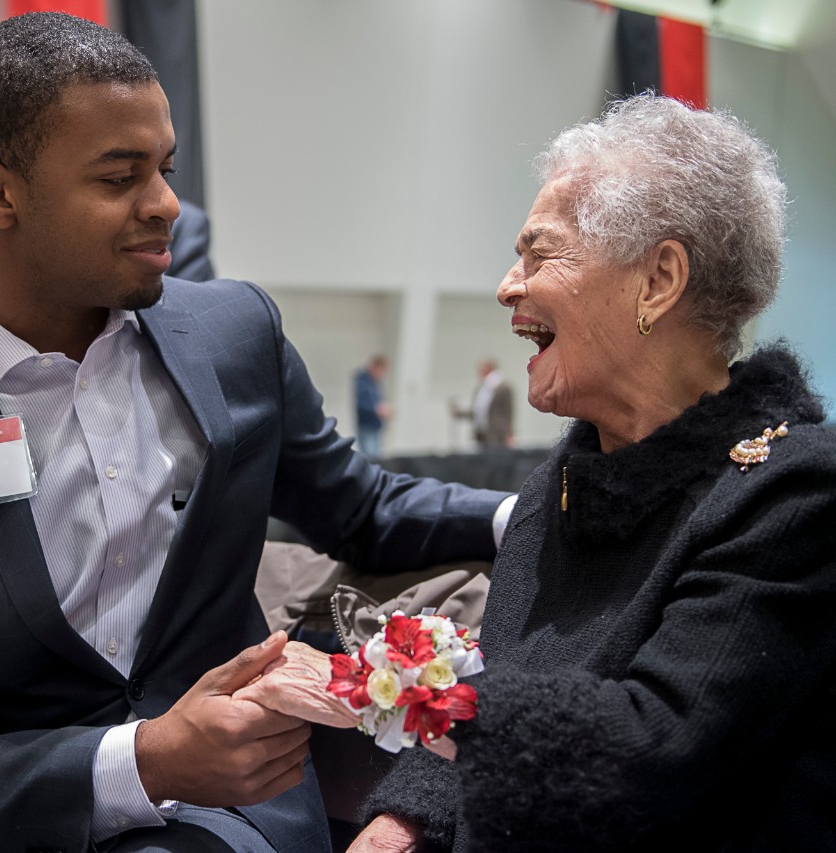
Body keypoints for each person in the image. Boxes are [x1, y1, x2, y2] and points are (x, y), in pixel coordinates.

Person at [0, 13, 511, 853]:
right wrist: (139, 759)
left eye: (166, 169)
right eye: (119, 176)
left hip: (215, 804)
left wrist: (530, 514)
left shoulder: (232, 335)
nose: (167, 204)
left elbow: (362, 508)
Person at [242, 95, 836, 852]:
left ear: (658, 280)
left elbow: (653, 747)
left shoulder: (794, 492)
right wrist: (400, 826)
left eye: (538, 253)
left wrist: (380, 685)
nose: (506, 286)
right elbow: (501, 702)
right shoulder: (563, 480)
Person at [449, 358, 513, 449]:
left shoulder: (503, 387)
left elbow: (508, 411)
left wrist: (509, 434)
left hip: (497, 435)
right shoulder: (482, 388)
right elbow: (478, 411)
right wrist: (460, 413)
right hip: (482, 435)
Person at [353, 355, 391, 457]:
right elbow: (362, 403)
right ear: (374, 367)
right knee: (371, 458)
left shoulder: (374, 383)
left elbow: (377, 401)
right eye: (380, 370)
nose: (381, 374)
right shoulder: (363, 381)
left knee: (377, 457)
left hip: (375, 425)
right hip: (367, 425)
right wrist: (378, 410)